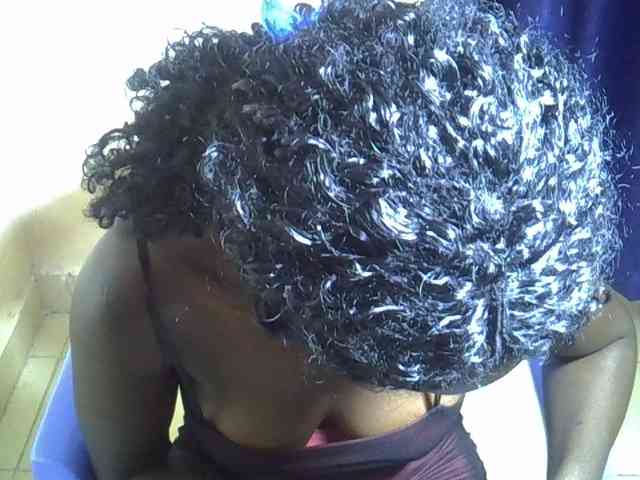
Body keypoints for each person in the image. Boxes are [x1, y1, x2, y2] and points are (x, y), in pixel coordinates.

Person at [70, 1, 638, 479]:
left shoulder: (504, 264)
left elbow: (602, 343)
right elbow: (133, 470)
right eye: (402, 367)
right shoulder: (146, 278)